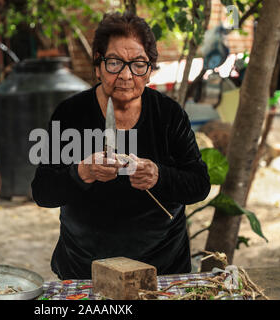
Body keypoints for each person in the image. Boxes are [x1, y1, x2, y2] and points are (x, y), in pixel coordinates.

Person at [31, 12, 211, 280]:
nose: (126, 75)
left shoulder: (168, 115)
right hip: (85, 267)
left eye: (138, 64)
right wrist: (82, 172)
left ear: (149, 71)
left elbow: (199, 185)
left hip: (162, 267)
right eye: (115, 62)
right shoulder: (70, 114)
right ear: (98, 66)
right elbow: (43, 192)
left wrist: (158, 175)